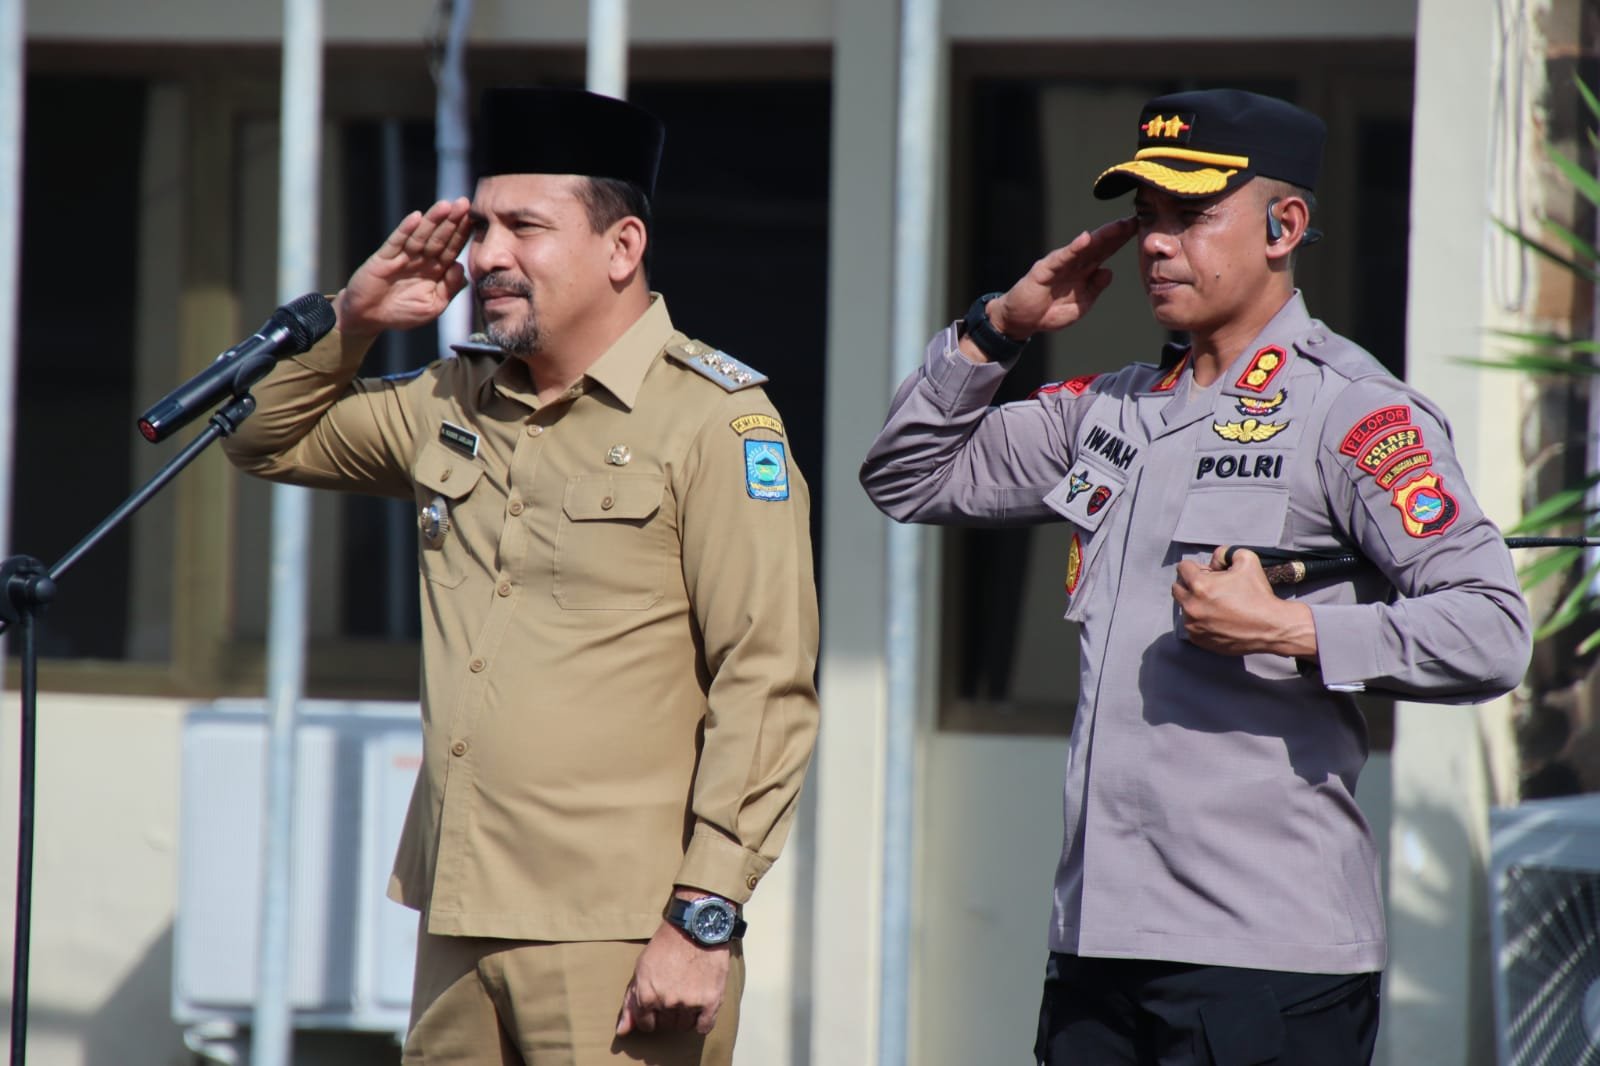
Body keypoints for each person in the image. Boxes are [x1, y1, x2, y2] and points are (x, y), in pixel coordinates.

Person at [860, 88, 1531, 1065]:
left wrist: (1290, 631)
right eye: (1145, 220)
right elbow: (903, 475)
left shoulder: (1352, 413)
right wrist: (997, 329)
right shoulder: (1107, 409)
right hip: (1096, 942)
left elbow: (1488, 629)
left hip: (1263, 957)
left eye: (1190, 216)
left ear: (1283, 225)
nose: (1156, 246)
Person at [223, 87, 820, 1065]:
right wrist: (355, 315)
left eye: (525, 228)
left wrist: (703, 917)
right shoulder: (451, 398)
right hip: (458, 910)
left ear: (622, 247)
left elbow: (766, 683)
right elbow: (255, 435)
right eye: (483, 224)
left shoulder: (715, 421)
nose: (486, 254)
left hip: (619, 931)